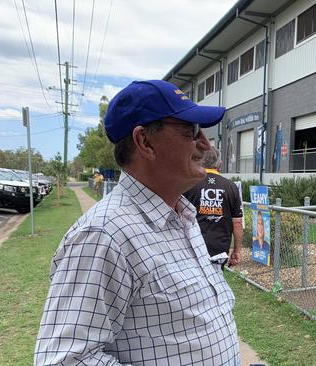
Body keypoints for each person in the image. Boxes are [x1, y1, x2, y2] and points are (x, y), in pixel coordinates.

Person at [35, 80, 240, 365]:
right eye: (191, 130)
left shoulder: (183, 216)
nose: (205, 144)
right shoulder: (104, 235)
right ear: (145, 142)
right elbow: (64, 360)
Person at [184, 146, 243, 267]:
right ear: (219, 164)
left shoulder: (189, 184)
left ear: (199, 161)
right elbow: (237, 222)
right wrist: (237, 251)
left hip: (192, 245)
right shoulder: (231, 187)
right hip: (220, 248)